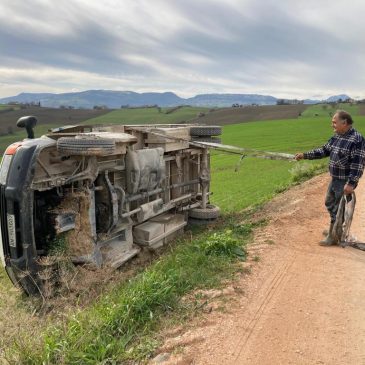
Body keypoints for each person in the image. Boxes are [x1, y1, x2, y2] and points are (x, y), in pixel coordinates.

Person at [295, 110, 365, 246]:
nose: (332, 125)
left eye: (334, 122)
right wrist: (304, 155)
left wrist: (351, 183)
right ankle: (335, 230)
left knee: (338, 208)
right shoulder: (337, 136)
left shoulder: (357, 139)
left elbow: (358, 164)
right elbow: (324, 150)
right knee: (329, 203)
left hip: (344, 180)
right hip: (335, 177)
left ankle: (334, 236)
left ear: (344, 123)